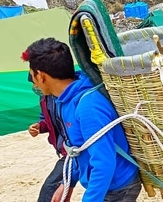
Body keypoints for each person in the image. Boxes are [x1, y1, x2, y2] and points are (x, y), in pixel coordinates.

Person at [23, 38, 141, 202]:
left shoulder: (88, 107)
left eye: (32, 75)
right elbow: (77, 149)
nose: (33, 82)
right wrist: (68, 183)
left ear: (41, 76)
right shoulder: (65, 100)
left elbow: (103, 163)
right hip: (106, 185)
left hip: (118, 188)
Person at [27, 73, 69, 202]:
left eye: (35, 82)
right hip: (66, 152)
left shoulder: (67, 96)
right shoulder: (44, 98)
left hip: (76, 151)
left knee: (51, 188)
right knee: (52, 188)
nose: (35, 86)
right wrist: (40, 126)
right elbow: (47, 119)